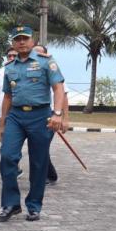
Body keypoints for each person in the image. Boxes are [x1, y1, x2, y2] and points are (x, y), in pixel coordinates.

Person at [0, 26, 65, 222]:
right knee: (7, 157)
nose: (22, 42)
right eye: (18, 39)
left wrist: (58, 114)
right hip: (16, 116)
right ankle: (11, 204)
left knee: (38, 162)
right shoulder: (9, 67)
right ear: (13, 44)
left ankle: (34, 206)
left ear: (32, 41)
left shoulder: (46, 62)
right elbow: (7, 96)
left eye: (25, 38)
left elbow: (58, 88)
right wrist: (2, 124)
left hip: (41, 116)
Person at [33, 44, 70, 185]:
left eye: (40, 53)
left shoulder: (51, 68)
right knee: (38, 146)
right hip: (30, 116)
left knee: (41, 146)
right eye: (34, 53)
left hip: (49, 114)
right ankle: (50, 174)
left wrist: (64, 118)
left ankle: (43, 177)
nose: (37, 56)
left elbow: (63, 95)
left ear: (46, 54)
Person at [0, 47, 23, 176]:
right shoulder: (0, 73)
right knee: (6, 143)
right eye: (9, 56)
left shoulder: (25, 70)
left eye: (15, 55)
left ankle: (14, 164)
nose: (12, 58)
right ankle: (13, 166)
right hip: (2, 115)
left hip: (21, 114)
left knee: (16, 142)